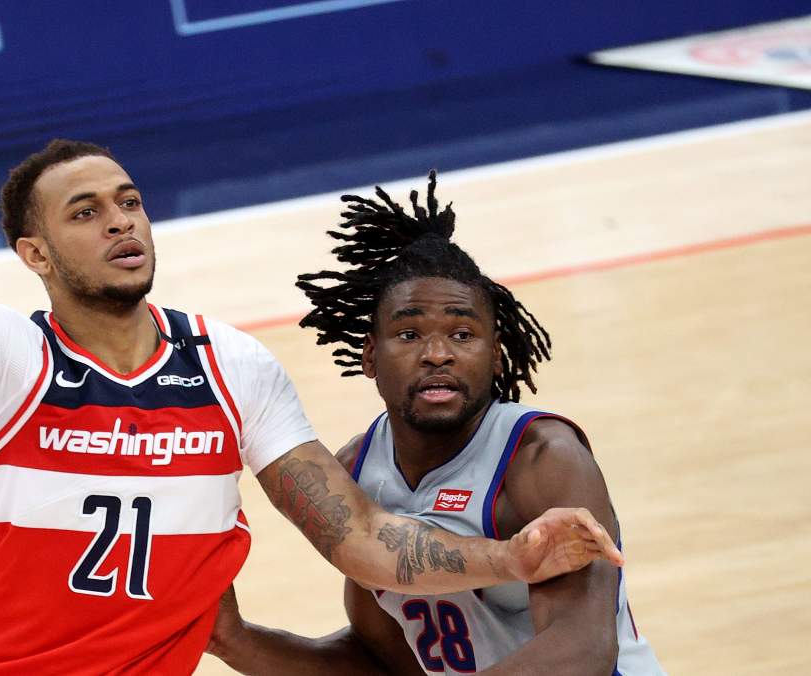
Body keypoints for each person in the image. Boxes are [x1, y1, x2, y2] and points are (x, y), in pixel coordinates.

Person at [0, 17, 623, 675]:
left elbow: (359, 537)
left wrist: (509, 559)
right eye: (86, 213)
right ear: (34, 255)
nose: (121, 222)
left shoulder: (232, 367)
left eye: (129, 202)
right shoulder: (2, 357)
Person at [205, 174, 665, 674]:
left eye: (463, 333)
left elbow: (582, 651)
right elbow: (383, 663)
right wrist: (233, 640)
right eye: (409, 334)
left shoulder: (542, 458)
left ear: (495, 356)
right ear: (370, 356)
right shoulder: (357, 471)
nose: (438, 354)